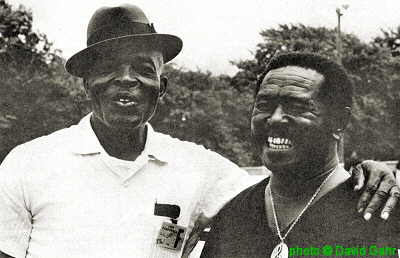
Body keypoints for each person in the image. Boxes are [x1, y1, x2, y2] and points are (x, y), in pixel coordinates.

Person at [0, 5, 396, 258]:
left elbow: (290, 185)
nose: (126, 80)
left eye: (142, 69)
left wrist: (369, 171)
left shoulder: (202, 168)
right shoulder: (27, 165)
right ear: (86, 82)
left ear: (162, 87)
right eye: (107, 67)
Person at [198, 52, 400, 258]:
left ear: (339, 122)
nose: (275, 118)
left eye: (296, 107)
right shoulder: (234, 213)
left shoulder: (373, 210)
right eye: (264, 105)